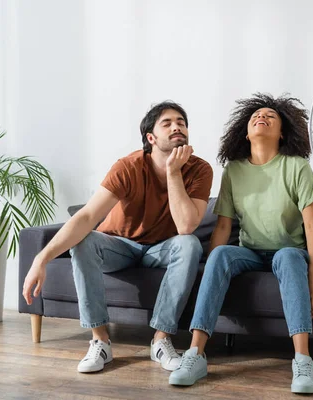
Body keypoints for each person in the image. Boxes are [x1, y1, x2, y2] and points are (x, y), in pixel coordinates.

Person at [22, 101, 213, 373]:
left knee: (190, 244)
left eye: (181, 122)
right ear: (151, 138)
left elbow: (185, 226)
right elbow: (87, 217)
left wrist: (173, 171)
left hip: (163, 249)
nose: (177, 126)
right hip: (119, 246)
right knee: (85, 240)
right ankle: (100, 341)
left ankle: (161, 341)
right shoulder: (129, 167)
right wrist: (41, 259)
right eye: (167, 123)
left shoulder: (200, 169)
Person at [168, 93, 313, 394]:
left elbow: (311, 224)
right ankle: (195, 354)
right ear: (245, 131)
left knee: (291, 257)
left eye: (270, 116)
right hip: (249, 252)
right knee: (220, 255)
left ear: (282, 132)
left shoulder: (296, 167)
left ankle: (303, 360)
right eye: (255, 116)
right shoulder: (234, 171)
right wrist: (212, 270)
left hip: (287, 252)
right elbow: (224, 226)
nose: (261, 117)